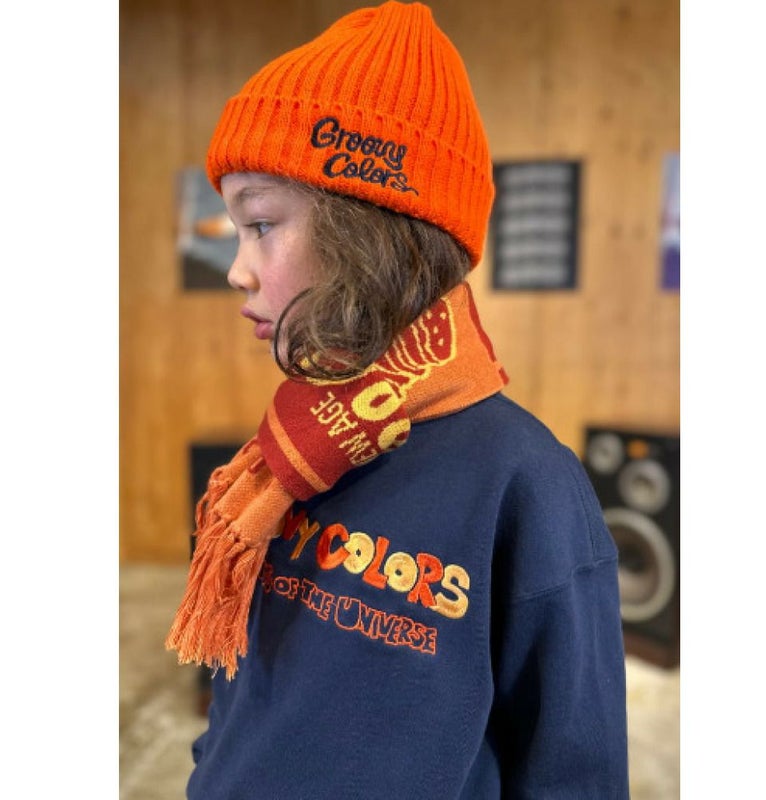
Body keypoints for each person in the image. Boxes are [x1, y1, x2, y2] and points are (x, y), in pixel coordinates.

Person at [166, 2, 630, 797]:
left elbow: (573, 772)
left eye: (262, 224)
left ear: (368, 232)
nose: (237, 270)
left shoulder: (527, 482)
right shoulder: (299, 441)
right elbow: (250, 691)